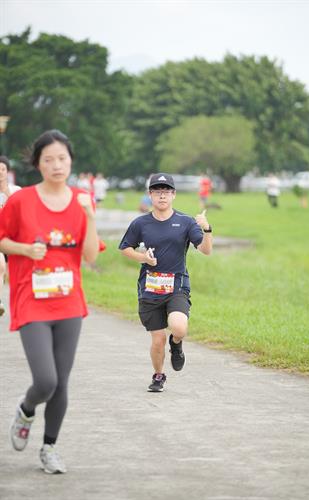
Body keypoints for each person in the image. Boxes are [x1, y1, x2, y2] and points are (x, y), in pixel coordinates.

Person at [0, 130, 99, 474]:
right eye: (49, 159)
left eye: (62, 158)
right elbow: (2, 240)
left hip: (69, 302)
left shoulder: (83, 200)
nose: (57, 165)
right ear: (37, 164)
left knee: (62, 382)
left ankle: (49, 448)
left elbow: (89, 257)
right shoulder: (21, 201)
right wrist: (25, 249)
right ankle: (27, 408)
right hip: (32, 300)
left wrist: (88, 215)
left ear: (71, 160)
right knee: (46, 381)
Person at [119, 173, 212, 392]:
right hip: (150, 288)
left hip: (177, 286)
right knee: (158, 338)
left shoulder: (186, 222)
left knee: (178, 327)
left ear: (174, 195)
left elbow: (206, 250)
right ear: (150, 195)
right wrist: (143, 258)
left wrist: (206, 229)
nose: (162, 196)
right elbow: (125, 248)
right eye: (157, 192)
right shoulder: (141, 223)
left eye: (166, 191)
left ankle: (177, 344)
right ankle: (159, 375)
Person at [0, 155, 21, 316]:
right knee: (0, 265)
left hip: (14, 239)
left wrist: (6, 191)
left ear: (7, 171)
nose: (0, 172)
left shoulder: (16, 190)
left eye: (3, 169)